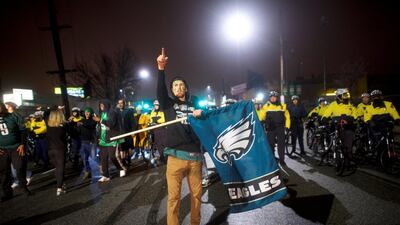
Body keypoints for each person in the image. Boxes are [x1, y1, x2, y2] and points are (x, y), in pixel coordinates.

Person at [157, 48, 203, 225]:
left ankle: (195, 223)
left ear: (186, 88)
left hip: (195, 158)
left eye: (180, 85)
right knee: (173, 198)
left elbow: (206, 125)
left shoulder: (195, 103)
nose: (178, 87)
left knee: (197, 197)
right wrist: (161, 68)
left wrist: (202, 114)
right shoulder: (168, 104)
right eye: (174, 85)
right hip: (175, 156)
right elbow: (160, 91)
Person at [0, 102, 32, 202]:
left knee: (19, 167)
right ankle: (7, 193)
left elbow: (23, 130)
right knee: (4, 172)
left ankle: (24, 188)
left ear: (2, 107)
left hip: (16, 147)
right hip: (2, 149)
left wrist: (22, 144)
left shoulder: (13, 116)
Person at [322, 88, 357, 169]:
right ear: (339, 96)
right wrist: (324, 119)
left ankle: (347, 162)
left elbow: (355, 115)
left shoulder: (350, 105)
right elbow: (326, 114)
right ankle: (337, 161)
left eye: (347, 95)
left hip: (348, 128)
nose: (346, 97)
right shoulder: (333, 105)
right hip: (336, 128)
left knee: (348, 147)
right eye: (344, 95)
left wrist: (350, 120)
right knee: (336, 144)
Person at [95, 100, 127, 182]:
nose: (101, 106)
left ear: (106, 105)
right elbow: (100, 126)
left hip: (111, 138)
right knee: (103, 158)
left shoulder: (112, 112)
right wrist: (98, 136)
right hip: (103, 139)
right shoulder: (102, 113)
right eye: (100, 105)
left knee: (112, 156)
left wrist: (101, 120)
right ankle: (106, 175)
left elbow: (111, 124)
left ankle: (121, 168)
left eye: (102, 105)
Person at [262, 91, 291, 166]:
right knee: (270, 145)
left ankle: (282, 160)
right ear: (269, 98)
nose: (273, 98)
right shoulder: (266, 106)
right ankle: (272, 159)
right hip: (271, 129)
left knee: (281, 145)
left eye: (274, 97)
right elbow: (261, 116)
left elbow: (287, 117)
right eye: (271, 97)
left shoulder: (282, 106)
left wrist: (287, 126)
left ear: (277, 98)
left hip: (280, 128)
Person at [46, 108, 68, 196]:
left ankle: (61, 184)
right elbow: (73, 134)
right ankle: (59, 188)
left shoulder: (48, 127)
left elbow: (45, 113)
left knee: (57, 168)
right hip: (60, 149)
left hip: (50, 150)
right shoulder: (63, 126)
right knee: (60, 168)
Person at [116, 99, 136, 167]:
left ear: (124, 104)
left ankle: (129, 159)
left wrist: (133, 131)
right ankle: (124, 162)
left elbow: (133, 122)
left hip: (128, 132)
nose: (120, 104)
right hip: (120, 134)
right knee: (122, 148)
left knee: (129, 148)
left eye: (121, 103)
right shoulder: (117, 112)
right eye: (119, 103)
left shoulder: (129, 111)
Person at [78, 107, 97, 179]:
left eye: (88, 112)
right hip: (83, 141)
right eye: (86, 112)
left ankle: (100, 169)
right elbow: (78, 131)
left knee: (93, 158)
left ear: (91, 113)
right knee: (84, 158)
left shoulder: (93, 120)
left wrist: (82, 124)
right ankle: (87, 171)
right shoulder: (81, 120)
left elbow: (90, 125)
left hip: (91, 142)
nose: (86, 113)